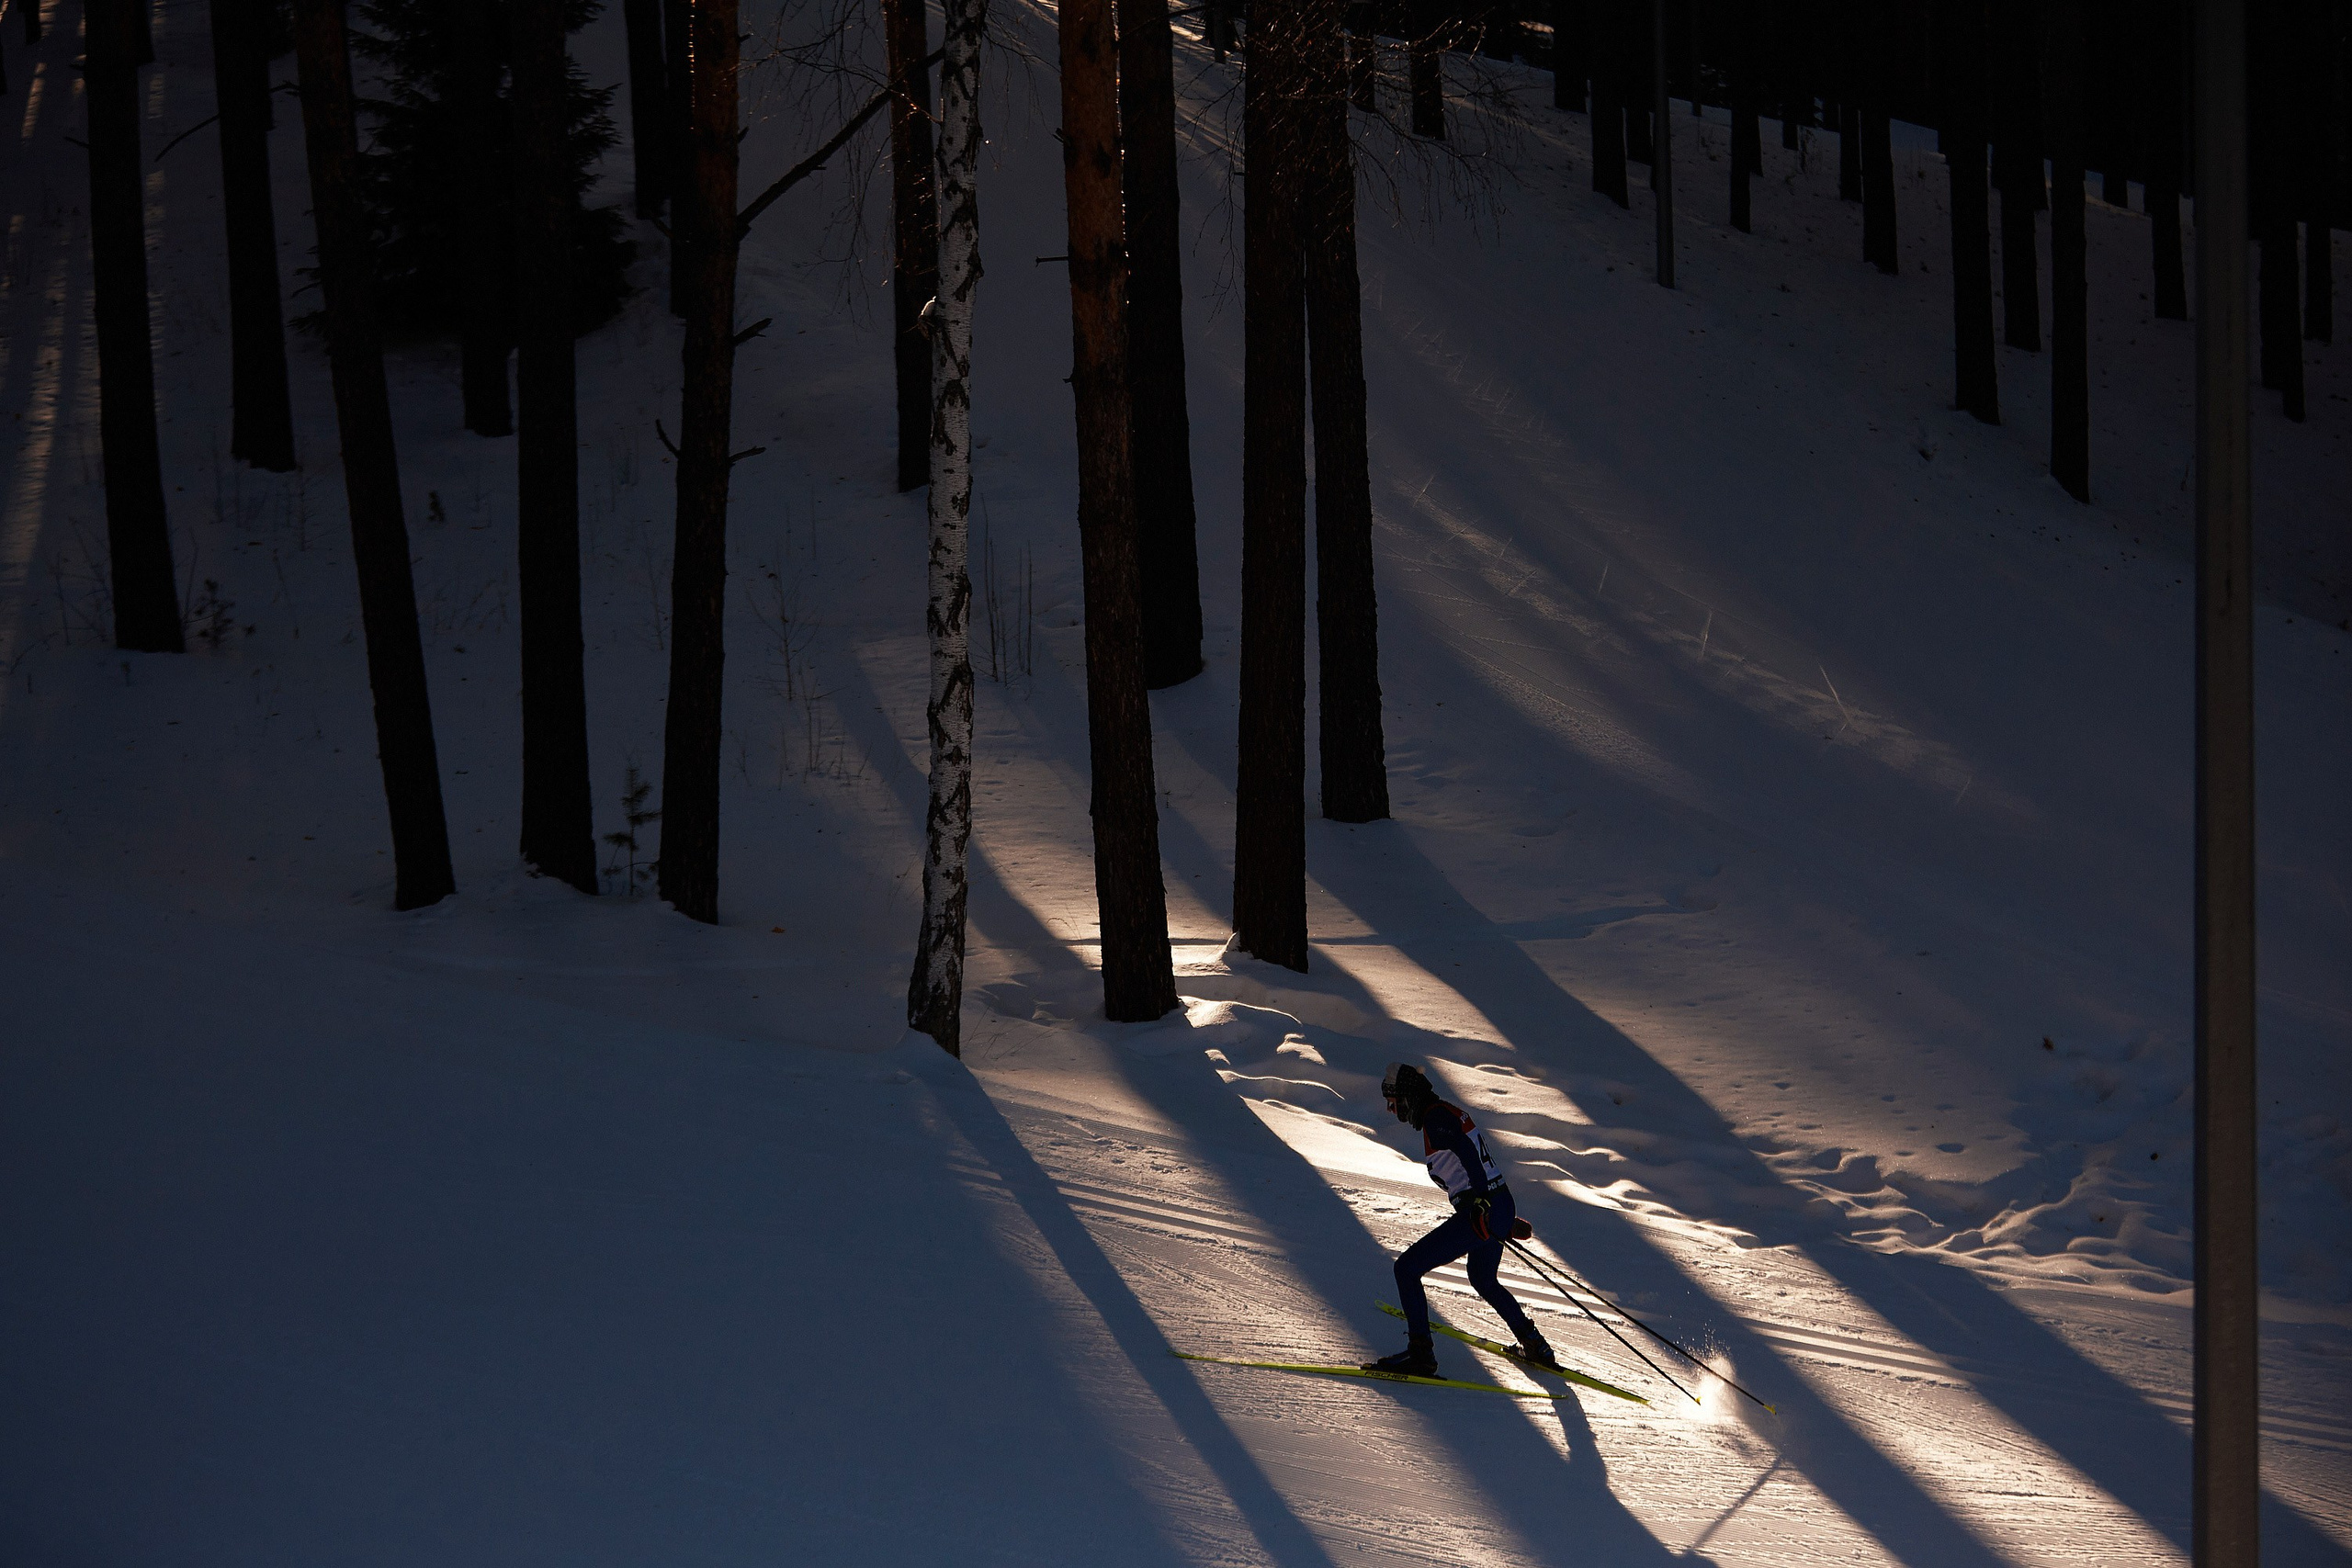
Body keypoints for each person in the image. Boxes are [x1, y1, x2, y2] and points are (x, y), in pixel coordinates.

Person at [1363, 1062, 1555, 1377]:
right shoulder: (1446, 1112)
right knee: (1483, 1278)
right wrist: (1500, 1215)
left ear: (1408, 1097)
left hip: (1482, 1210)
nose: (1391, 1109)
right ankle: (1534, 1344)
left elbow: (1467, 1153)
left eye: (1393, 1101)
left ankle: (1420, 1355)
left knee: (1406, 1269)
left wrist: (1480, 1204)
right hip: (1499, 1203)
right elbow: (1477, 1162)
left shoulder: (1435, 1118)